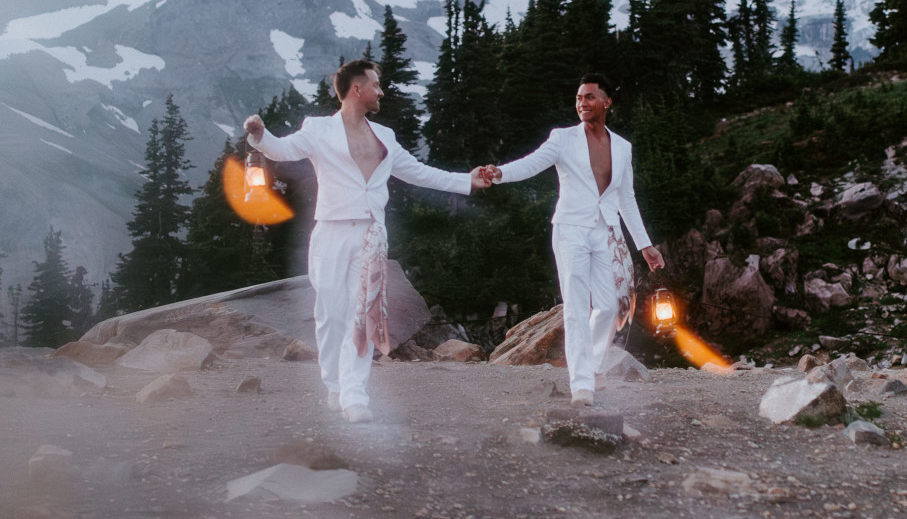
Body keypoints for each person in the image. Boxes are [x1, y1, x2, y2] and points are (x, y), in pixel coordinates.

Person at [244, 60, 493, 423]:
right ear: (356, 90)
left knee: (363, 315)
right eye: (376, 84)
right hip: (330, 231)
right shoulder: (318, 129)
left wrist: (465, 181)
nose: (382, 91)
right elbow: (281, 149)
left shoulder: (386, 138)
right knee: (329, 314)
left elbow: (418, 172)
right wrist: (258, 135)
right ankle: (333, 385)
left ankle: (355, 394)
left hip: (371, 234)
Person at [485, 75, 664, 406]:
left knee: (611, 306)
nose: (582, 102)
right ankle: (581, 382)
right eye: (579, 97)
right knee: (577, 307)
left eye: (590, 97)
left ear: (607, 102)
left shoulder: (622, 147)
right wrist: (500, 174)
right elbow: (531, 164)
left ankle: (593, 366)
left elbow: (627, 198)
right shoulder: (562, 139)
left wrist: (645, 244)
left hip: (606, 231)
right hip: (570, 230)